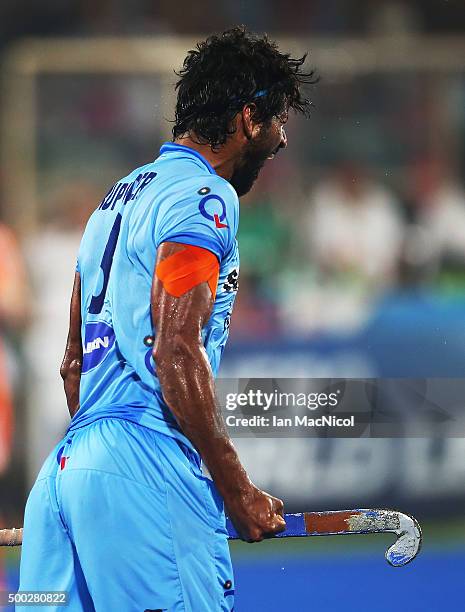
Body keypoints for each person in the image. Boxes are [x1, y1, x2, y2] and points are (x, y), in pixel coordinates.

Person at [18, 27, 315, 611]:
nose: (281, 141)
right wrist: (237, 490)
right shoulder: (205, 197)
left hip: (62, 474)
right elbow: (175, 349)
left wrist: (94, 488)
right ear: (249, 118)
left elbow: (72, 365)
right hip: (146, 468)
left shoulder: (116, 198)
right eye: (278, 121)